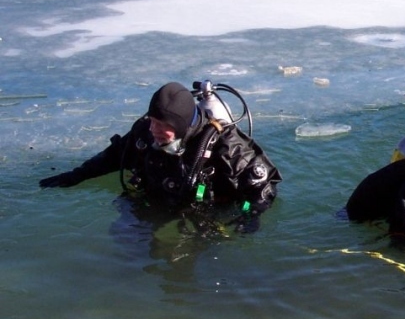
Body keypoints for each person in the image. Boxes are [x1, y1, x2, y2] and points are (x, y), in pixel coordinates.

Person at [39, 81, 282, 233]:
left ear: (183, 126)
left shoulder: (226, 147)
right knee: (125, 242)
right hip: (153, 201)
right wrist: (77, 175)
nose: (153, 129)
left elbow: (263, 188)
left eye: (162, 124)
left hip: (205, 212)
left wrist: (250, 214)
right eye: (152, 120)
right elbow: (114, 156)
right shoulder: (146, 133)